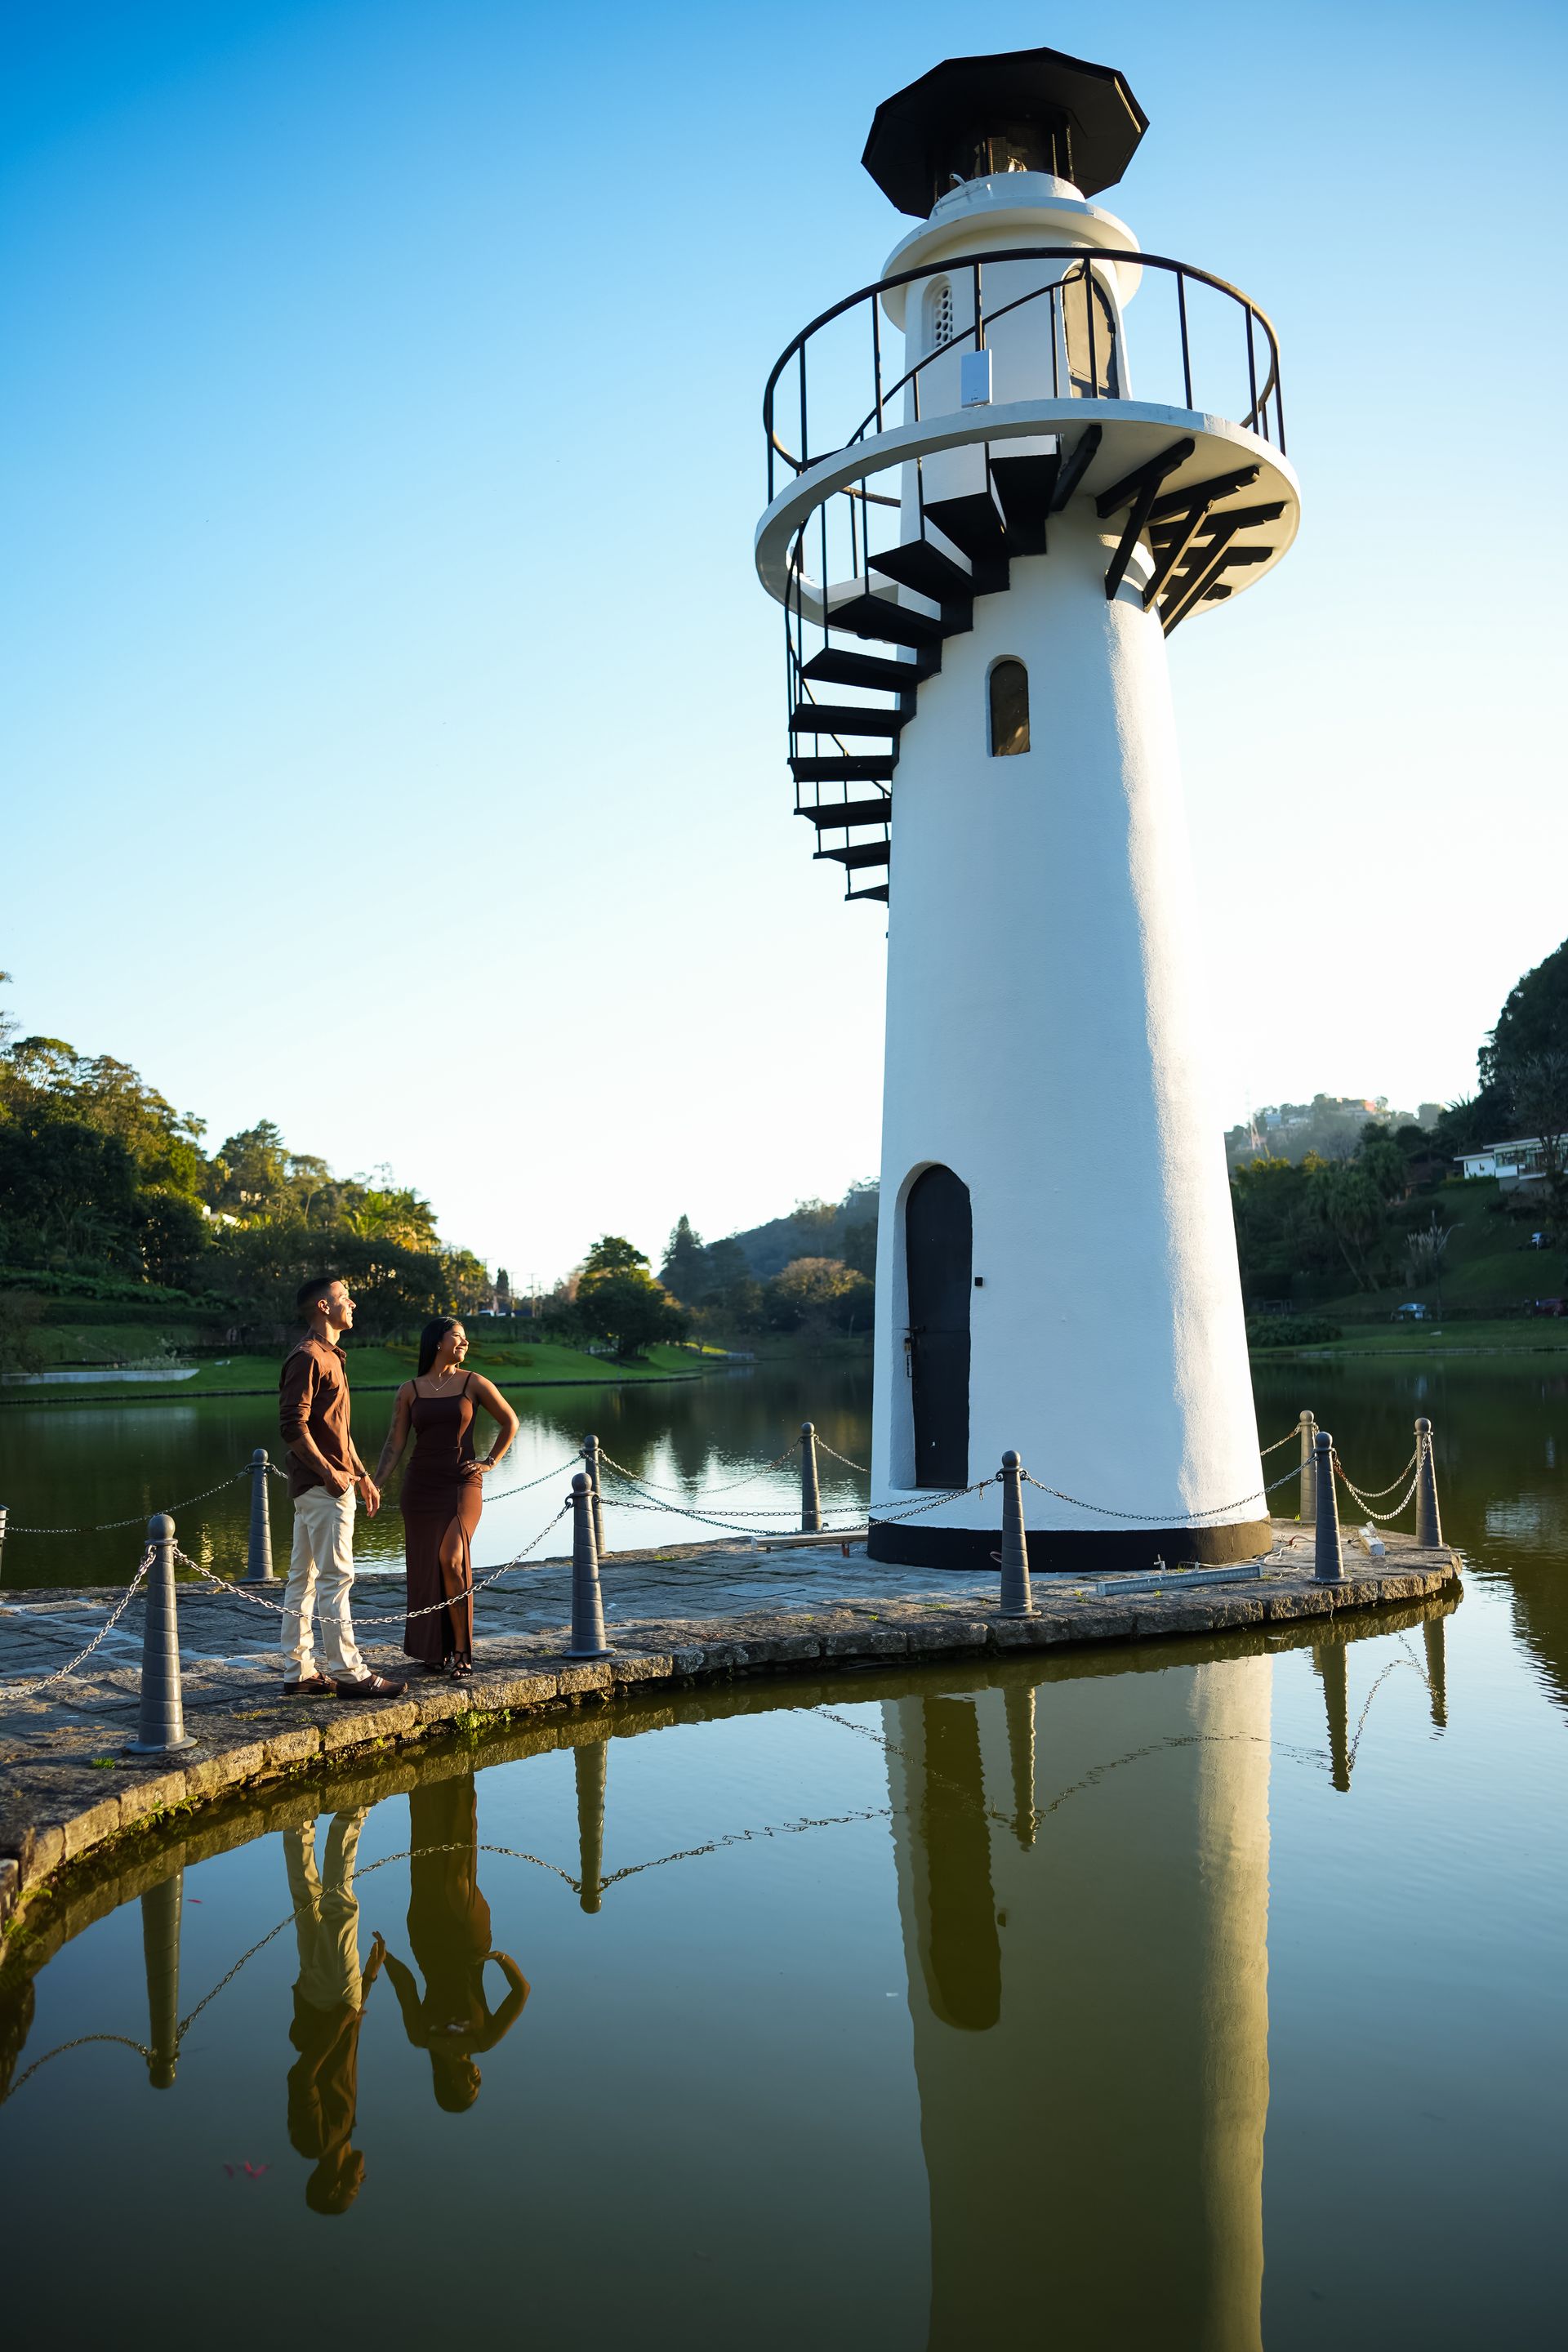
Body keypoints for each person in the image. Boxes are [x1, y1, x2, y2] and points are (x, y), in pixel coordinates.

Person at [278, 1274, 406, 1701]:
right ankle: (350, 1673)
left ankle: (299, 1672)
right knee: (336, 1578)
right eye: (343, 1298)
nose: (351, 1303)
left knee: (305, 1578)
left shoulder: (332, 1356)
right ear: (322, 1307)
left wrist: (363, 1475)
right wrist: (333, 1475)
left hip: (325, 1484)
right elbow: (292, 1427)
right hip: (323, 1487)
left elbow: (337, 1430)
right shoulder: (308, 1356)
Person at [373, 1316, 519, 1678]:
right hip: (420, 1487)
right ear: (437, 1342)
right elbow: (395, 1443)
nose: (465, 1343)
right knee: (426, 1568)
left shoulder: (474, 1382)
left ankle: (462, 1650)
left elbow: (510, 1421)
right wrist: (375, 1484)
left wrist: (489, 1462)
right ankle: (433, 1652)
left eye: (466, 1338)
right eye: (458, 1337)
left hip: (461, 1484)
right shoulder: (411, 1389)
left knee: (453, 1560)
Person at [381, 1773, 529, 2111]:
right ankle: (460, 1780)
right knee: (458, 1874)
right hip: (468, 1944)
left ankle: (427, 1782)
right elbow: (521, 1992)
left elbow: (406, 1986)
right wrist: (501, 1959)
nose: (477, 2080)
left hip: (427, 1938)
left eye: (470, 2089)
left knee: (429, 1861)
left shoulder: (422, 2036)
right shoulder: (483, 2040)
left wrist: (385, 1959)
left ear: (450, 2084)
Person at [284, 1806, 384, 2215]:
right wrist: (370, 1980)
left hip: (332, 2005)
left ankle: (351, 1814)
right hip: (316, 2003)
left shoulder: (318, 2140)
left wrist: (343, 2019)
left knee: (341, 1910)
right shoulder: (333, 2136)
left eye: (354, 2189)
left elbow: (303, 2075)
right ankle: (296, 1824)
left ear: (335, 2185)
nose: (363, 2179)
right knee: (308, 1906)